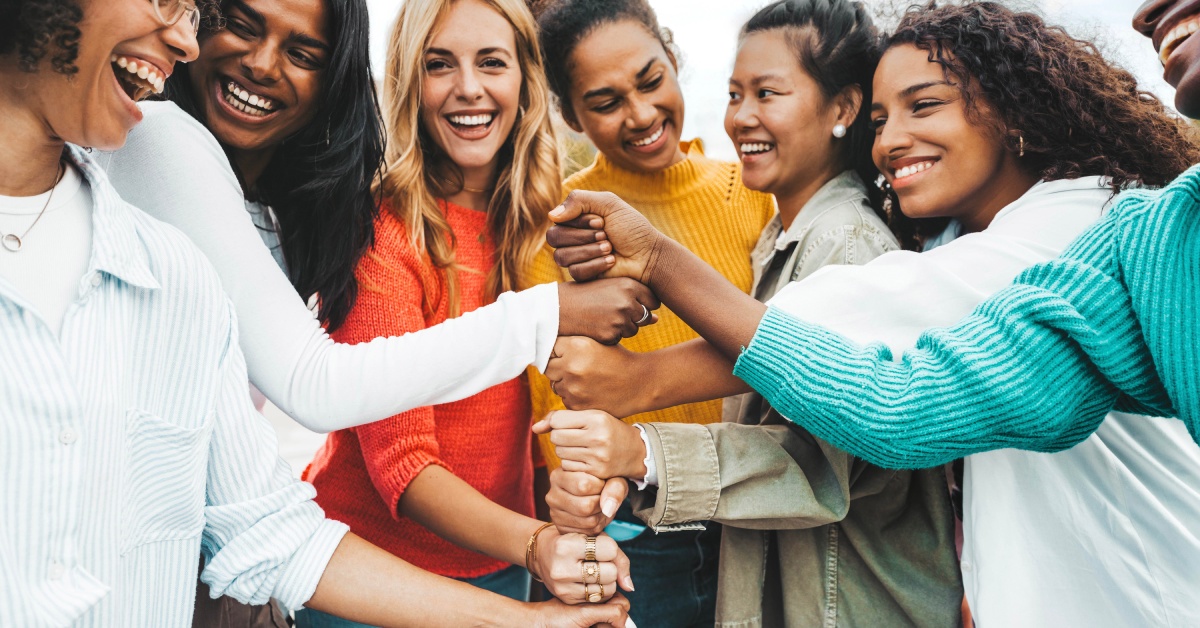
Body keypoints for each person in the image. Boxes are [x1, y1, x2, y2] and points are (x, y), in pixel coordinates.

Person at [544, 1, 1200, 625]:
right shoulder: (957, 237)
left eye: (925, 106)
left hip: (1144, 598)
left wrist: (641, 376)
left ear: (1010, 107)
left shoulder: (1068, 231)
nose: (890, 140)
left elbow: (855, 353)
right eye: (882, 120)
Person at [0, 0, 630, 626]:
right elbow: (337, 406)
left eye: (306, 54)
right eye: (440, 64)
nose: (186, 40)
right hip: (366, 569)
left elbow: (263, 524)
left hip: (272, 571)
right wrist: (548, 314)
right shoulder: (163, 147)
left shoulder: (191, 260)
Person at [535, 1, 965, 625]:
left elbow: (818, 463)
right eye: (735, 93)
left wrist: (641, 448)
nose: (740, 117)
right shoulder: (786, 236)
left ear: (843, 110)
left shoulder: (845, 244)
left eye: (768, 92)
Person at [295, 0, 638, 624]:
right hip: (367, 577)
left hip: (501, 567)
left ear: (525, 81)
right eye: (439, 64)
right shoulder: (381, 231)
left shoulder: (549, 225)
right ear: (408, 82)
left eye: (491, 62)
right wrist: (538, 547)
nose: (469, 88)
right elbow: (403, 462)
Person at [527, 1, 777, 623]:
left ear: (673, 59)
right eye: (606, 102)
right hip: (642, 534)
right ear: (568, 113)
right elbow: (557, 412)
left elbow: (789, 347)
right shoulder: (562, 229)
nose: (641, 115)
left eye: (650, 80)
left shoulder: (750, 193)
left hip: (758, 509)